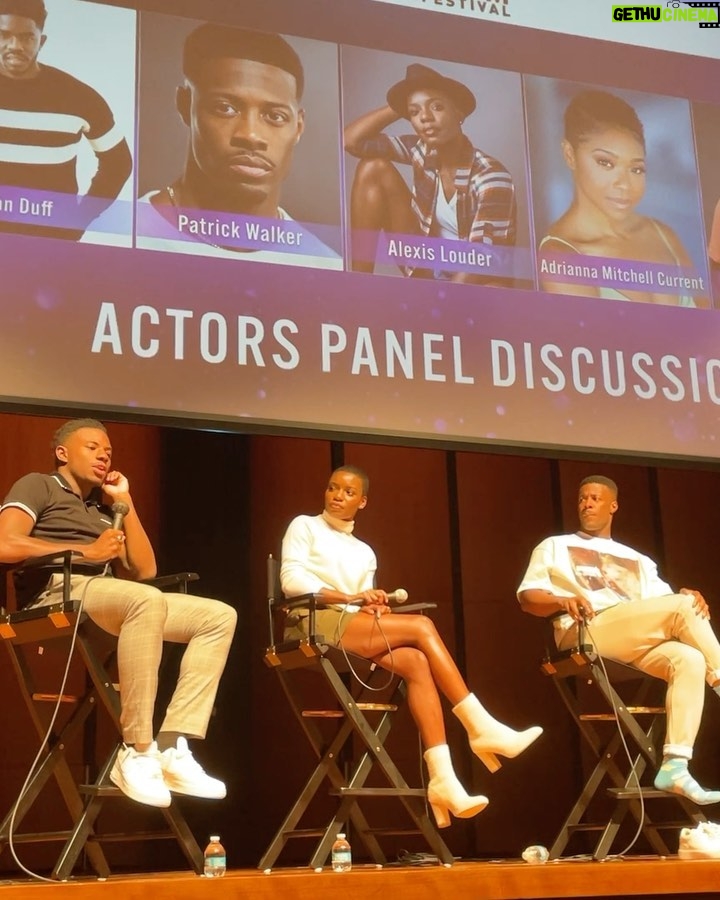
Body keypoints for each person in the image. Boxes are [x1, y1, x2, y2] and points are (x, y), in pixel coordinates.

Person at [280, 464, 542, 829]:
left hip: (350, 626)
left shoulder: (364, 551)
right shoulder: (304, 525)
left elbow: (360, 604)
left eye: (348, 492)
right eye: (332, 488)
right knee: (421, 626)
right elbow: (292, 581)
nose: (338, 495)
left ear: (363, 501)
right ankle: (480, 728)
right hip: (311, 623)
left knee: (417, 662)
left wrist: (371, 604)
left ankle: (443, 780)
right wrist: (351, 597)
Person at [0, 418, 237, 809]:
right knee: (143, 600)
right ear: (62, 453)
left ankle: (172, 746)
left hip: (108, 597)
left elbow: (145, 570)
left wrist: (125, 503)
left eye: (107, 450)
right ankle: (136, 749)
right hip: (58, 593)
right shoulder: (38, 484)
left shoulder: (100, 509)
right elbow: (6, 543)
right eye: (92, 447)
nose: (104, 454)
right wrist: (87, 553)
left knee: (217, 616)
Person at [517, 474, 720, 805]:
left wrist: (684, 596)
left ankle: (675, 764)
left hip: (630, 638)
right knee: (683, 609)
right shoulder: (555, 545)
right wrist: (559, 600)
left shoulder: (638, 559)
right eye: (582, 498)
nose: (587, 503)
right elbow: (527, 599)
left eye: (595, 498)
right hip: (585, 632)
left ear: (613, 506)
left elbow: (666, 608)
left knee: (690, 658)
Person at [137, 23, 340, 269]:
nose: (251, 135)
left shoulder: (324, 265)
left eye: (275, 116)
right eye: (225, 108)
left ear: (298, 126)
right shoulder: (117, 236)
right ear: (184, 104)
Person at [343, 62, 516, 283]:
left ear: (458, 113)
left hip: (476, 283)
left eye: (437, 107)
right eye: (415, 112)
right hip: (429, 266)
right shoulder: (421, 151)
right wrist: (401, 104)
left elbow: (481, 261)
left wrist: (438, 302)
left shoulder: (491, 176)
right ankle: (358, 286)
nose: (425, 118)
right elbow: (351, 141)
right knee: (372, 168)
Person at [538, 89, 708, 307]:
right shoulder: (560, 256)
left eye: (636, 169)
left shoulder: (663, 234)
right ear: (570, 155)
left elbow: (709, 328)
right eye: (605, 163)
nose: (625, 184)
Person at [0, 0, 132, 240]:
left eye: (27, 37)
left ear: (42, 41)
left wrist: (80, 218)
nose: (14, 45)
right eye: (4, 34)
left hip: (49, 246)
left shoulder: (78, 97)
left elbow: (119, 163)